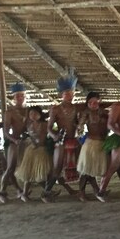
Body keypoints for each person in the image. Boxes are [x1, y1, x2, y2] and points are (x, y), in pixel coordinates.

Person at [43, 73, 81, 201]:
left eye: (71, 93)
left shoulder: (76, 108)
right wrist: (55, 136)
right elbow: (49, 127)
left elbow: (78, 124)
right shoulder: (56, 109)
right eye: (67, 93)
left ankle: (81, 191)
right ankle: (46, 192)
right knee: (57, 167)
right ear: (61, 95)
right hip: (61, 141)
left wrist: (79, 126)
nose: (70, 96)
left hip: (73, 140)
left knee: (81, 164)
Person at [0, 83, 27, 203]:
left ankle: (21, 191)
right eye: (17, 96)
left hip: (26, 141)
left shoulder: (28, 110)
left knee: (28, 166)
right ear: (14, 98)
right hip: (14, 142)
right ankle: (1, 191)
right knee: (10, 168)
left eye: (22, 95)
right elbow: (5, 131)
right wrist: (14, 140)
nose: (20, 98)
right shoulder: (9, 112)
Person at [76, 92, 108, 202]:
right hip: (90, 143)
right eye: (90, 102)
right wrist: (79, 136)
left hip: (102, 143)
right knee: (86, 170)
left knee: (91, 169)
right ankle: (82, 193)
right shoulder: (86, 113)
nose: (93, 104)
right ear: (87, 103)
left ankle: (96, 190)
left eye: (95, 102)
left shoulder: (104, 113)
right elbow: (80, 127)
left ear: (99, 102)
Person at [15, 106, 52, 201]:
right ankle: (24, 194)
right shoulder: (28, 125)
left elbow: (49, 134)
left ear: (40, 114)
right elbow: (27, 136)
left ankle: (47, 191)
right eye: (31, 114)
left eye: (35, 113)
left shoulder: (45, 124)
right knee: (29, 172)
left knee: (41, 173)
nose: (33, 116)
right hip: (31, 150)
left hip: (42, 149)